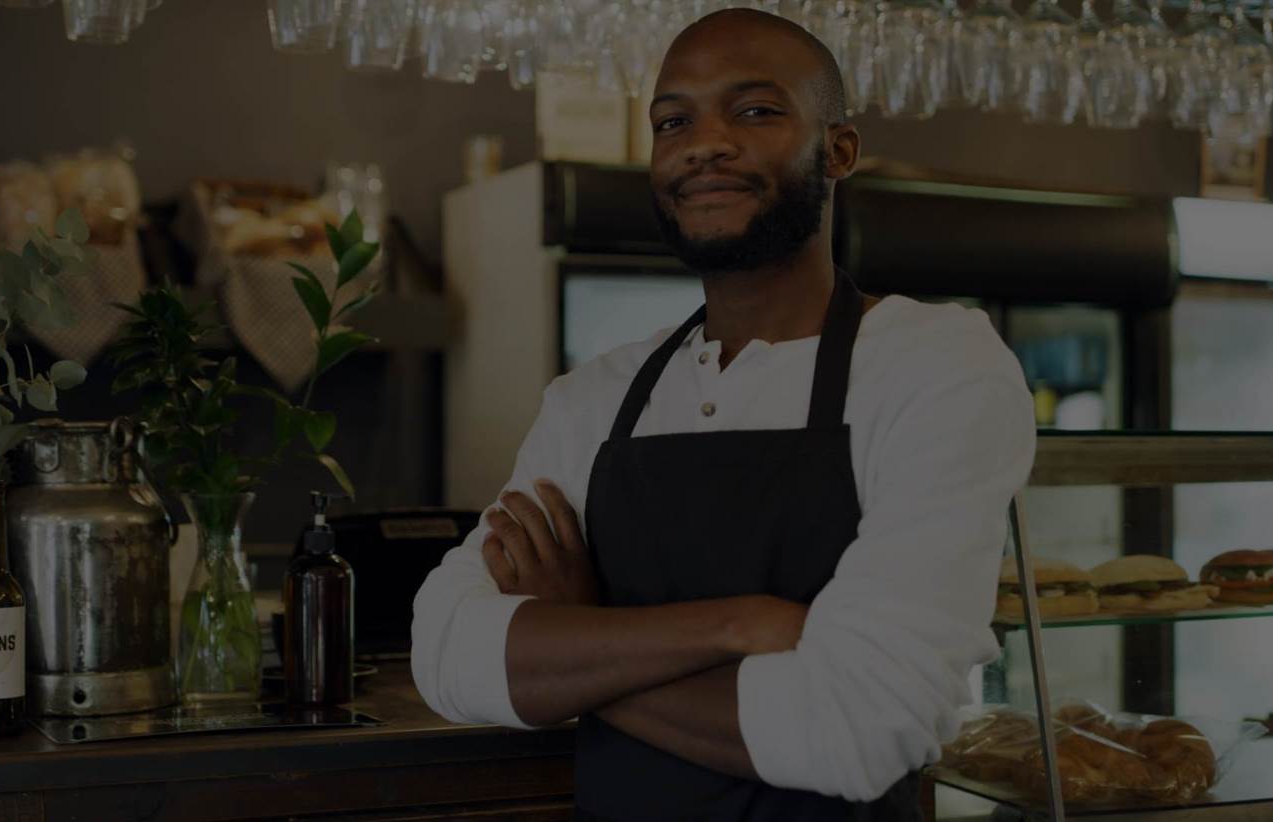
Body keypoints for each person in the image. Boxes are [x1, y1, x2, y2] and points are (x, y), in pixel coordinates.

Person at [411, 8, 1034, 820]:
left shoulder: (936, 365)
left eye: (755, 111)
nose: (704, 143)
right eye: (673, 121)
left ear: (839, 150)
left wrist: (580, 640)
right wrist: (743, 625)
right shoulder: (592, 398)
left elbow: (858, 729)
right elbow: (446, 656)